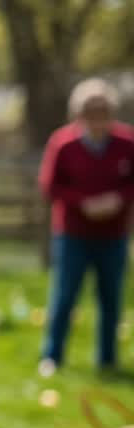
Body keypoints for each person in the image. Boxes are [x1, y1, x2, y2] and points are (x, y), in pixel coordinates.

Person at [37, 78, 134, 376]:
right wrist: (84, 203)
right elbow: (49, 186)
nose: (97, 120)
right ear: (78, 114)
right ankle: (52, 356)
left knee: (110, 298)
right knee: (64, 295)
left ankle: (107, 360)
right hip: (72, 233)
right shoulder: (63, 143)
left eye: (102, 112)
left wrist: (117, 199)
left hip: (113, 234)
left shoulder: (127, 143)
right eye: (90, 113)